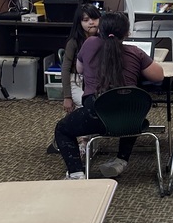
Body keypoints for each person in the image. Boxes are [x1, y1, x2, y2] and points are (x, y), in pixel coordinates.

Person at [54, 11, 164, 179]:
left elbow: (80, 69)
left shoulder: (90, 43)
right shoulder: (136, 52)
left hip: (96, 117)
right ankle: (121, 160)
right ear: (127, 33)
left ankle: (76, 173)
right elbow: (159, 76)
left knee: (62, 129)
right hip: (129, 120)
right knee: (133, 111)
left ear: (100, 30)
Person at [46, 2, 100, 153]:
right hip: (76, 80)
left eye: (94, 18)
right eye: (86, 20)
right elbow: (64, 68)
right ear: (79, 23)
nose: (91, 22)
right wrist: (67, 96)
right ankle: (84, 143)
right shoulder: (74, 42)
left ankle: (90, 139)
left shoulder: (103, 38)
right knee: (87, 105)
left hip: (96, 81)